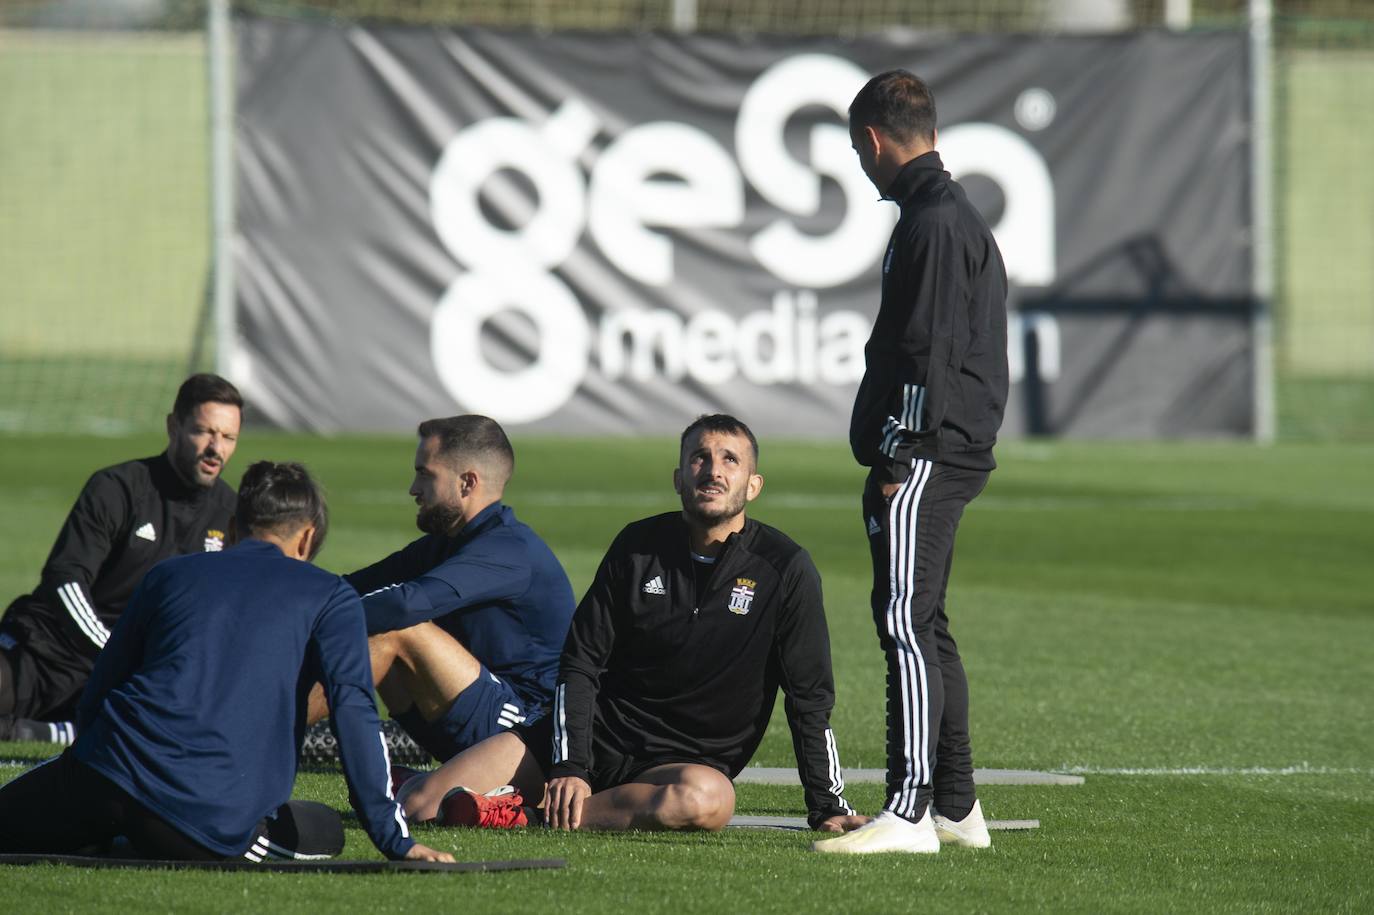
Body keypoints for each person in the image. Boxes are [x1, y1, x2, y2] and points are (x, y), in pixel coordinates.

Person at [392, 414, 864, 838]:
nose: (714, 470)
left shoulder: (785, 569)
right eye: (699, 458)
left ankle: (522, 816)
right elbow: (579, 663)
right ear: (679, 478)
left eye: (729, 460)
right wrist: (570, 764)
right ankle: (412, 780)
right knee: (421, 807)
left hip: (681, 766)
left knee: (708, 801)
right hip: (597, 737)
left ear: (753, 484)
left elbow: (809, 697)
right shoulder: (637, 546)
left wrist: (827, 806)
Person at [0, 461, 451, 863]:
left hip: (103, 777)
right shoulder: (330, 595)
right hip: (204, 818)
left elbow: (101, 688)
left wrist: (91, 767)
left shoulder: (168, 574)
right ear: (309, 535)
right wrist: (394, 839)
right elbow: (354, 714)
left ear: (232, 529)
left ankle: (100, 832)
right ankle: (123, 836)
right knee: (326, 831)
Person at [812, 70, 1009, 855]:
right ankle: (957, 806)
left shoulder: (930, 221)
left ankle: (910, 807)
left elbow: (927, 348)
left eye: (859, 150)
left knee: (902, 619)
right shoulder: (953, 215)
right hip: (951, 445)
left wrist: (904, 444)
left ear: (872, 140)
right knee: (926, 620)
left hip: (927, 450)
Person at [308, 415, 575, 766]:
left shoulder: (507, 550)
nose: (413, 489)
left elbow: (404, 606)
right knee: (373, 622)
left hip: (524, 729)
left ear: (467, 483)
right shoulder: (447, 542)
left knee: (397, 630)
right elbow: (350, 587)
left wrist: (308, 622)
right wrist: (280, 600)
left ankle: (262, 729)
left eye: (425, 474)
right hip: (477, 715)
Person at [0, 373, 244, 744]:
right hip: (52, 653)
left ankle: (55, 731)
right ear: (172, 426)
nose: (216, 448)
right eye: (204, 432)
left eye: (228, 438)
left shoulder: (230, 515)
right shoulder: (118, 488)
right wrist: (115, 650)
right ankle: (59, 729)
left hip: (138, 676)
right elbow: (64, 578)